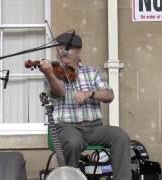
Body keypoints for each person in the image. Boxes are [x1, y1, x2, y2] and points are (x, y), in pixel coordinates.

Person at [39, 32, 131, 180]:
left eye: (67, 48)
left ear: (78, 51)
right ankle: (69, 177)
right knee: (74, 142)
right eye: (60, 48)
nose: (62, 51)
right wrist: (49, 74)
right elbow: (60, 92)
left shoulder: (92, 72)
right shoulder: (53, 73)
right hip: (66, 127)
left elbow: (109, 95)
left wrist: (90, 93)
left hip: (94, 128)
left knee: (121, 136)